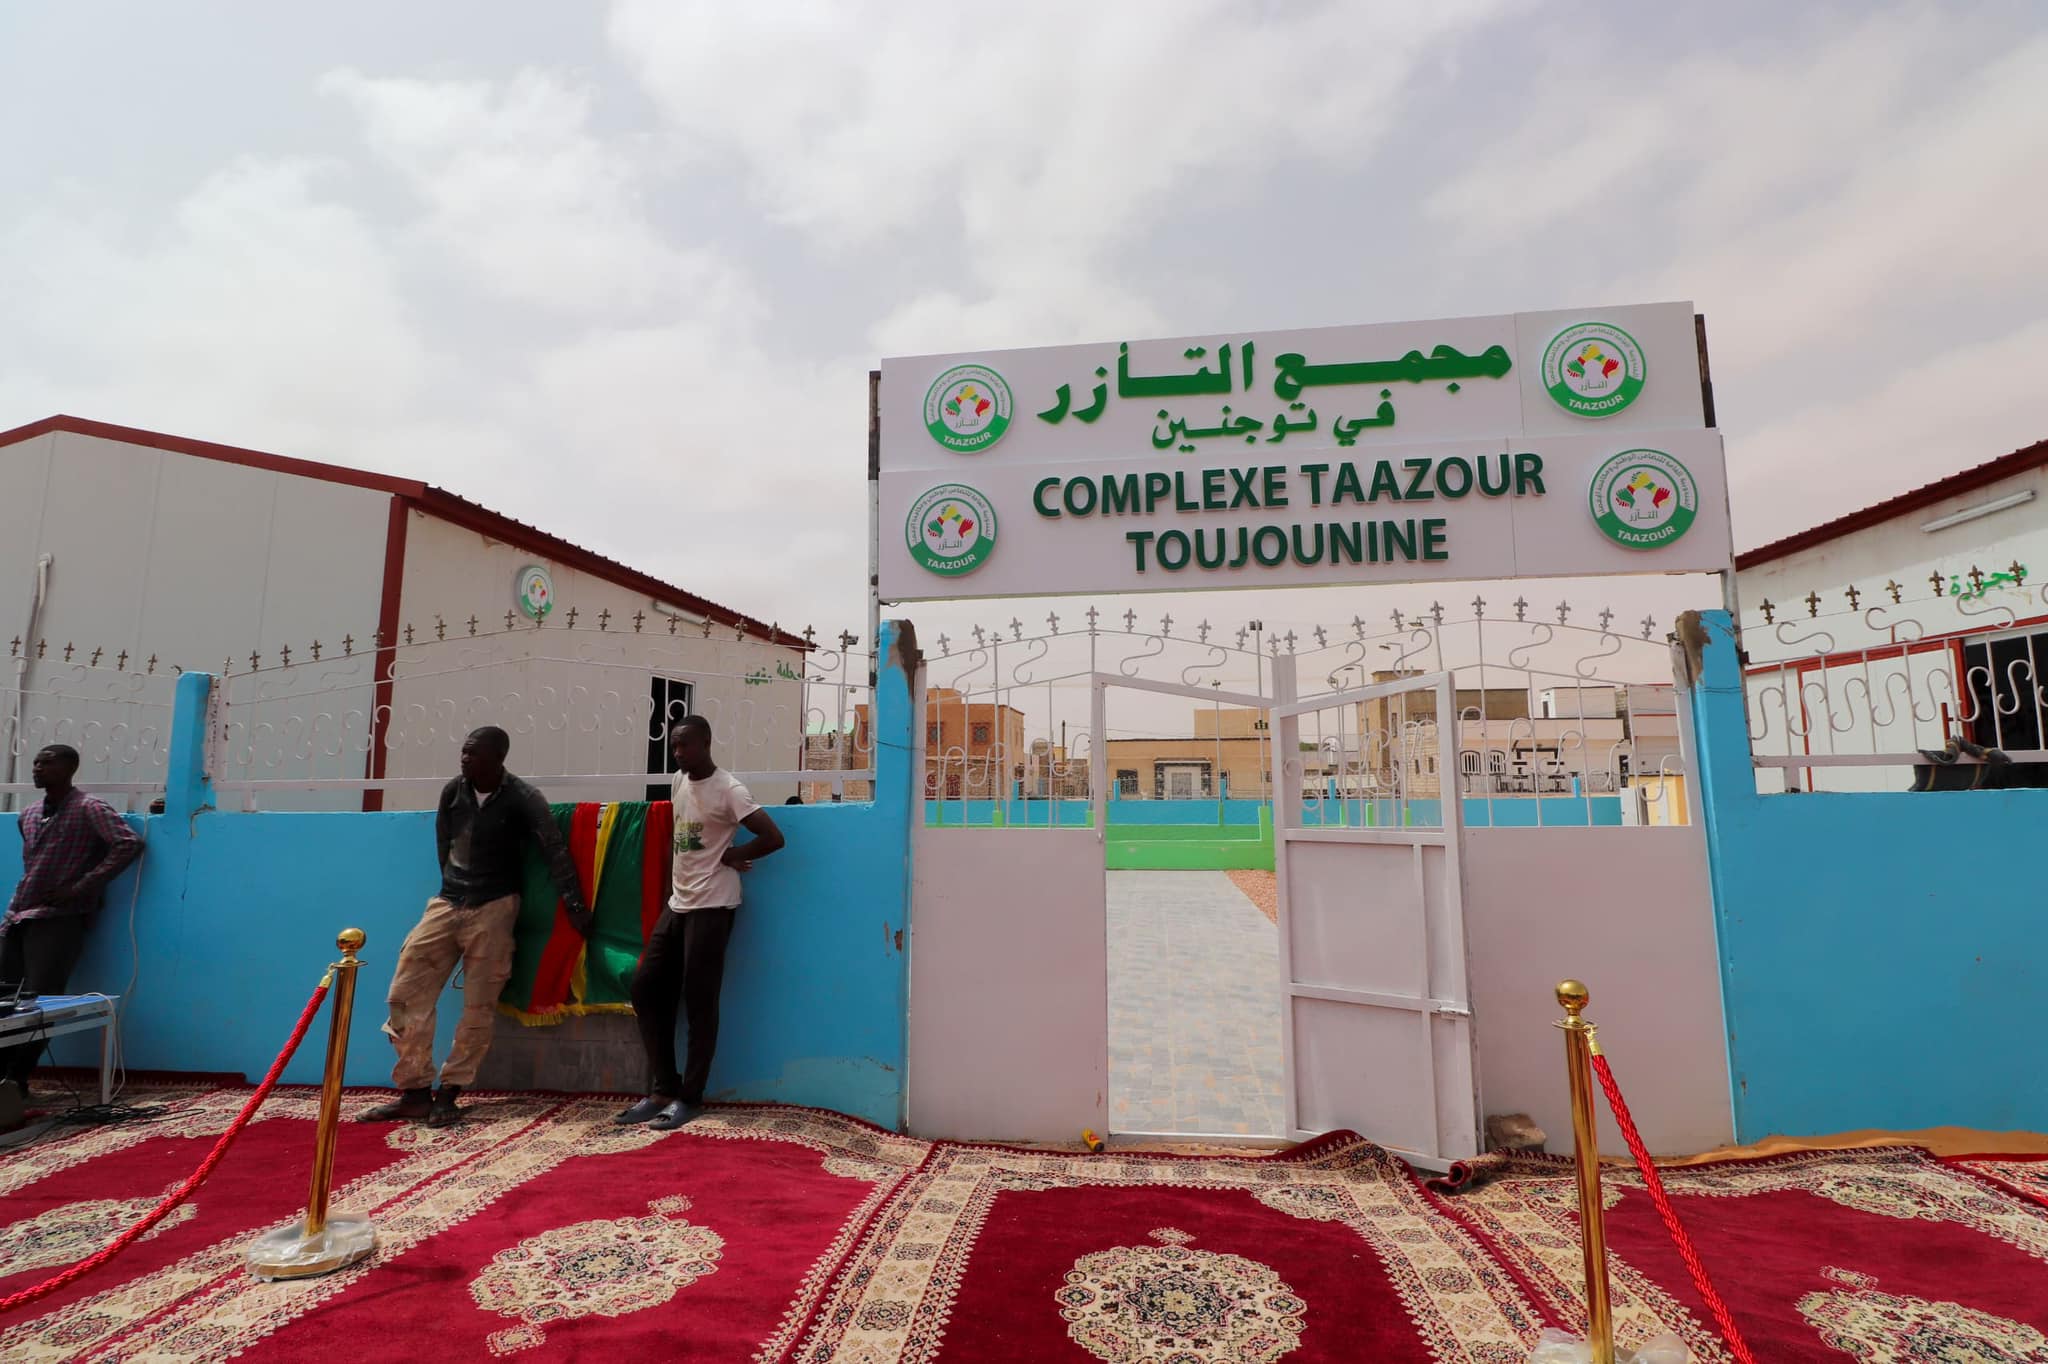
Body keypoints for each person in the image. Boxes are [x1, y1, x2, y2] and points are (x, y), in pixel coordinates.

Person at [360, 727, 590, 1127]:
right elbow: (443, 844)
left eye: (474, 754)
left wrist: (574, 907)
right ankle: (414, 1092)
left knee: (478, 1009)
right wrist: (452, 891)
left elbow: (554, 850)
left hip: (496, 908)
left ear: (498, 757)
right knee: (403, 995)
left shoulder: (523, 798)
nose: (465, 760)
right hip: (448, 902)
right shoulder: (453, 791)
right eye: (463, 752)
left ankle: (450, 1092)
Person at [616, 716, 784, 1131]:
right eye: (674, 747)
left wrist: (732, 854)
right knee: (646, 987)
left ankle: (690, 1097)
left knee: (699, 999)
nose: (678, 754)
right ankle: (662, 1089)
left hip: (714, 905)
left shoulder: (729, 789)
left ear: (706, 743)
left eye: (685, 746)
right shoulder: (679, 781)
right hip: (679, 903)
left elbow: (773, 837)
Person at [1, 745, 143, 1102]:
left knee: (41, 1002)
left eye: (47, 763)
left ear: (70, 768)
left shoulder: (89, 808)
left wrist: (80, 888)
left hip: (58, 920)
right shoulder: (29, 814)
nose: (37, 768)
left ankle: (17, 1079)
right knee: (5, 1000)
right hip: (18, 914)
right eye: (36, 762)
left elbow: (127, 844)